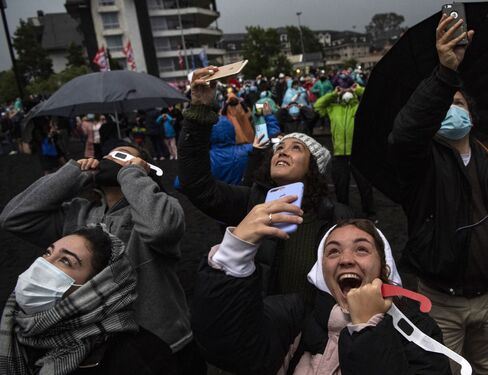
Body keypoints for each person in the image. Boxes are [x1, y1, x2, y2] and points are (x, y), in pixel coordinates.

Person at [386, 15, 488, 375]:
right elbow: (405, 135)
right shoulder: (420, 160)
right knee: (446, 370)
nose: (452, 108)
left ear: (471, 111)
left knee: (485, 366)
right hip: (442, 300)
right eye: (445, 104)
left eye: (459, 102)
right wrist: (444, 75)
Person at [0, 143, 198, 374]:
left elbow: (159, 228)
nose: (109, 159)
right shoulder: (78, 212)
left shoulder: (163, 208)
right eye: (107, 155)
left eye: (121, 156)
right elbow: (14, 217)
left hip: (161, 344)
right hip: (91, 348)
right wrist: (75, 174)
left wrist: (133, 174)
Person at [192, 216, 450, 374]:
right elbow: (226, 346)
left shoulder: (419, 330)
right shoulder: (294, 316)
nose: (346, 259)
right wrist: (233, 253)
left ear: (384, 268)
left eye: (361, 250)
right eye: (333, 251)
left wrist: (367, 330)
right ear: (321, 270)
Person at [179, 66, 353, 300]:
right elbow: (196, 184)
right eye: (279, 147)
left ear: (314, 167)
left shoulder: (336, 217)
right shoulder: (251, 203)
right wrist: (199, 108)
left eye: (296, 148)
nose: (282, 151)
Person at [0, 225, 176, 375]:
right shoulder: (14, 328)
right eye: (48, 253)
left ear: (96, 286)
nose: (42, 264)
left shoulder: (140, 358)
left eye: (66, 261)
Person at [315, 83, 376, 217]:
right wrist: (333, 93)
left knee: (365, 186)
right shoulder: (333, 109)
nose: (346, 92)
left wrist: (358, 90)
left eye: (349, 89)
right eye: (343, 90)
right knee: (340, 187)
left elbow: (375, 98)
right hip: (339, 156)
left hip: (359, 154)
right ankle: (344, 213)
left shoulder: (360, 107)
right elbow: (318, 105)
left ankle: (369, 213)